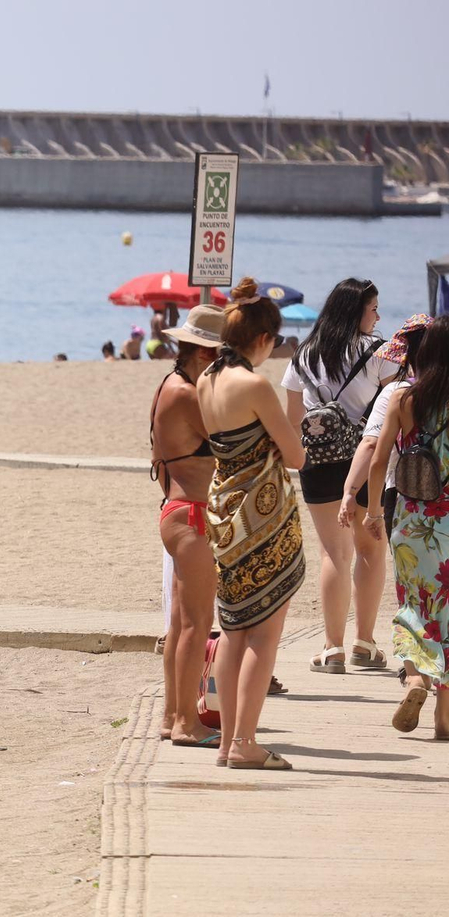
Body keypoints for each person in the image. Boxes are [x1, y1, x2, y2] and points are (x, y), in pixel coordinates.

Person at [197, 277, 305, 770]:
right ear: (262, 339)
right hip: (262, 519)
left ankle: (225, 743)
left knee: (234, 628)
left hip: (223, 510)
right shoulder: (254, 384)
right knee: (264, 634)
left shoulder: (207, 380)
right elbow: (296, 456)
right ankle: (245, 743)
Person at [281, 278, 389, 675]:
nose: (378, 316)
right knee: (370, 548)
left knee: (333, 553)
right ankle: (364, 642)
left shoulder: (304, 355)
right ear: (355, 311)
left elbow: (294, 421)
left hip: (319, 461)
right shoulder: (380, 354)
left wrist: (299, 462)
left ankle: (332, 648)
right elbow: (390, 414)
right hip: (367, 461)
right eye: (373, 308)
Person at [364, 316, 449, 738]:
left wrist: (374, 513)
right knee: (448, 613)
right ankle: (444, 718)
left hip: (413, 521)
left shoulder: (402, 398)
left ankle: (415, 678)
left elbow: (380, 463)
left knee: (414, 606)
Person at [149, 305, 225, 748]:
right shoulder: (189, 394)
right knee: (198, 623)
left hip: (177, 509)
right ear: (205, 354)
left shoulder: (168, 384)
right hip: (193, 513)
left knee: (181, 624)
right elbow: (228, 440)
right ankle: (186, 725)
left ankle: (171, 714)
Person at [340, 314, 431, 542]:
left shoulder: (397, 394)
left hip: (406, 495)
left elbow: (372, 447)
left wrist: (366, 507)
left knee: (414, 576)